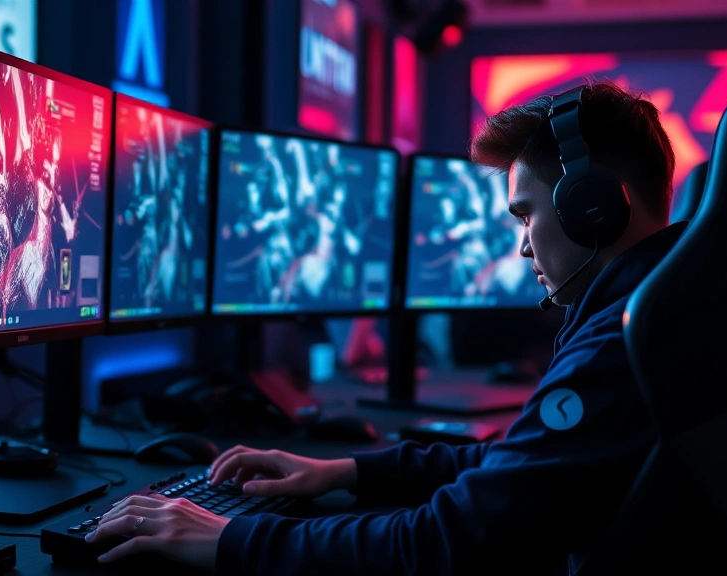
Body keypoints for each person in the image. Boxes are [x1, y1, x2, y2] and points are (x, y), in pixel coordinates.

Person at [86, 80, 681, 574]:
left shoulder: (618, 347)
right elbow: (518, 469)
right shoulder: (654, 315)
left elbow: (441, 542)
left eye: (525, 215)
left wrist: (230, 538)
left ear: (593, 206)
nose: (522, 246)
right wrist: (345, 470)